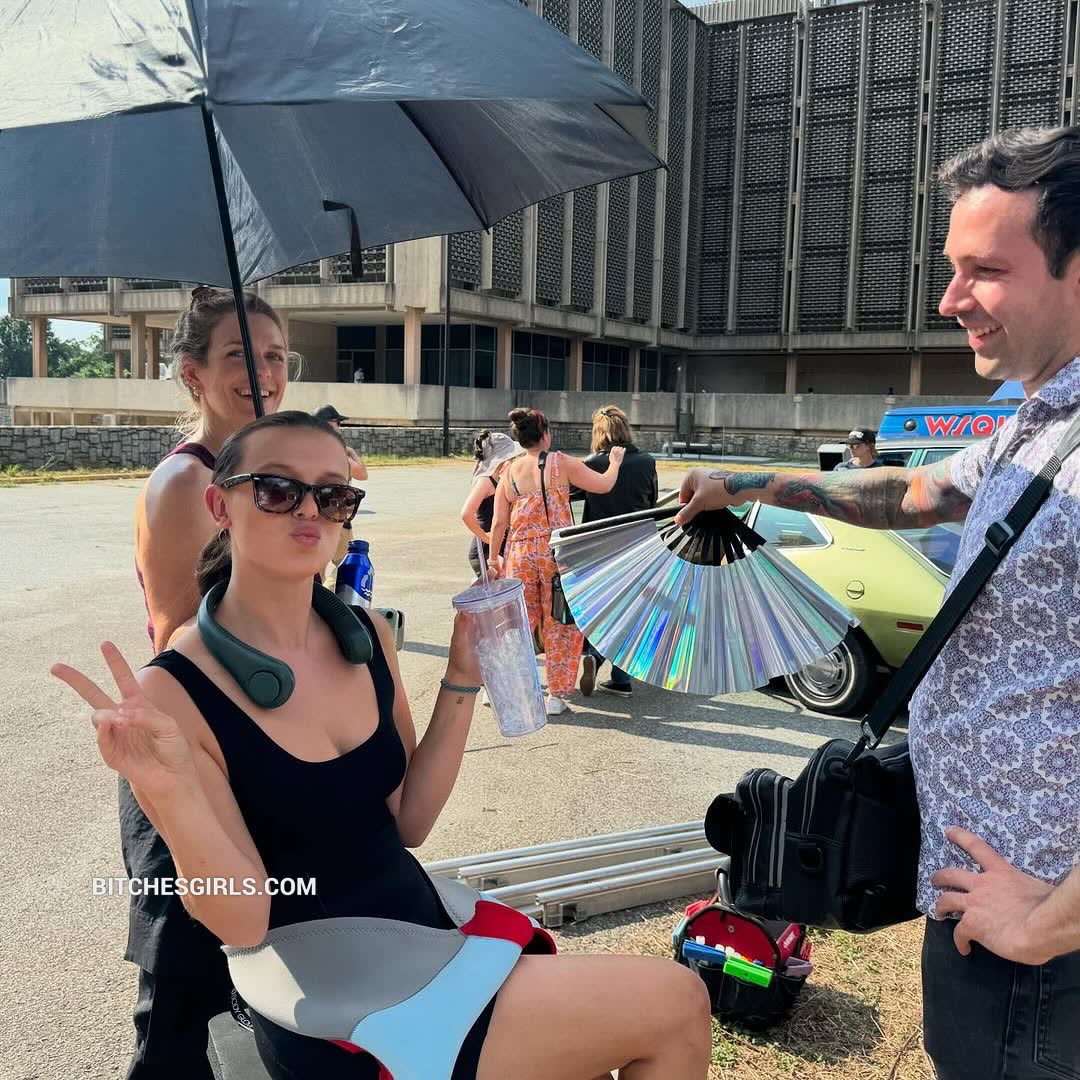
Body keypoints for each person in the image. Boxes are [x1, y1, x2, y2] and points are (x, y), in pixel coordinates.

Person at [54, 411, 712, 1080]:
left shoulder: (365, 635)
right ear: (220, 505)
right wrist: (167, 794)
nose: (309, 509)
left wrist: (461, 675)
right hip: (336, 1000)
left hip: (421, 933)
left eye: (333, 494)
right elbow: (243, 923)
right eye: (278, 489)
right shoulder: (173, 691)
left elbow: (410, 821)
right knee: (677, 1003)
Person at [675, 126, 1080, 1080]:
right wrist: (750, 482)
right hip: (983, 899)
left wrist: (1049, 921)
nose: (950, 300)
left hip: (1042, 945)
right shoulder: (1041, 421)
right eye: (952, 267)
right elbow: (914, 492)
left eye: (986, 271)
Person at [127, 286, 290, 1080]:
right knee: (184, 1003)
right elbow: (174, 643)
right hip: (191, 760)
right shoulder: (186, 486)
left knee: (260, 993)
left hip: (258, 749)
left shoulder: (267, 478)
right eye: (239, 356)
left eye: (275, 356)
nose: (263, 373)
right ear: (193, 375)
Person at [488, 408, 625, 716]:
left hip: (519, 555)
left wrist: (494, 558)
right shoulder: (561, 463)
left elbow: (499, 522)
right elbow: (603, 485)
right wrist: (615, 462)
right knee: (560, 623)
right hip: (556, 554)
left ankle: (514, 688)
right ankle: (556, 696)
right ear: (545, 434)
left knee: (518, 624)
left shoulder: (508, 471)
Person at [572, 406, 658, 698]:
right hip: (638, 547)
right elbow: (651, 502)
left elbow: (572, 495)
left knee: (601, 608)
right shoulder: (647, 462)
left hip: (598, 549)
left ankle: (595, 656)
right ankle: (621, 678)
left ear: (599, 432)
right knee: (630, 611)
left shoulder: (593, 462)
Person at [312, 404, 367, 588]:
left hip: (316, 514)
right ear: (328, 424)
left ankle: (315, 596)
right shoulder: (335, 450)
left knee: (315, 566)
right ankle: (328, 593)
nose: (340, 428)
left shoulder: (308, 448)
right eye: (338, 423)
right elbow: (361, 473)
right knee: (344, 562)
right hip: (336, 515)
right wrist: (350, 452)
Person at [461, 430, 524, 577]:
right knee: (494, 589)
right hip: (484, 551)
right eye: (511, 456)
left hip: (497, 548)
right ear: (501, 457)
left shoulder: (499, 477)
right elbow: (466, 514)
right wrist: (485, 537)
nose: (513, 459)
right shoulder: (485, 481)